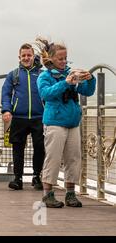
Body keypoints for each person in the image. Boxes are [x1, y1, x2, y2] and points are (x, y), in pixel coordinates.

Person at [36, 38, 96, 208]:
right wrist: (65, 83)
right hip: (54, 122)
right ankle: (48, 194)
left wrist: (90, 79)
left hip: (72, 122)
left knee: (73, 159)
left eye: (65, 58)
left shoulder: (71, 73)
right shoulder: (44, 76)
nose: (64, 62)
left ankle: (70, 193)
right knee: (53, 159)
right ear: (51, 59)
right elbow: (46, 94)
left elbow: (87, 91)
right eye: (60, 59)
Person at [1, 43, 45, 190]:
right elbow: (6, 94)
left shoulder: (41, 74)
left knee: (40, 147)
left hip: (39, 117)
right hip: (18, 117)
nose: (26, 58)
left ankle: (36, 177)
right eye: (23, 55)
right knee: (18, 148)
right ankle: (17, 178)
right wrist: (6, 110)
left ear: (33, 56)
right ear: (19, 57)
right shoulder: (13, 74)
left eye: (29, 55)